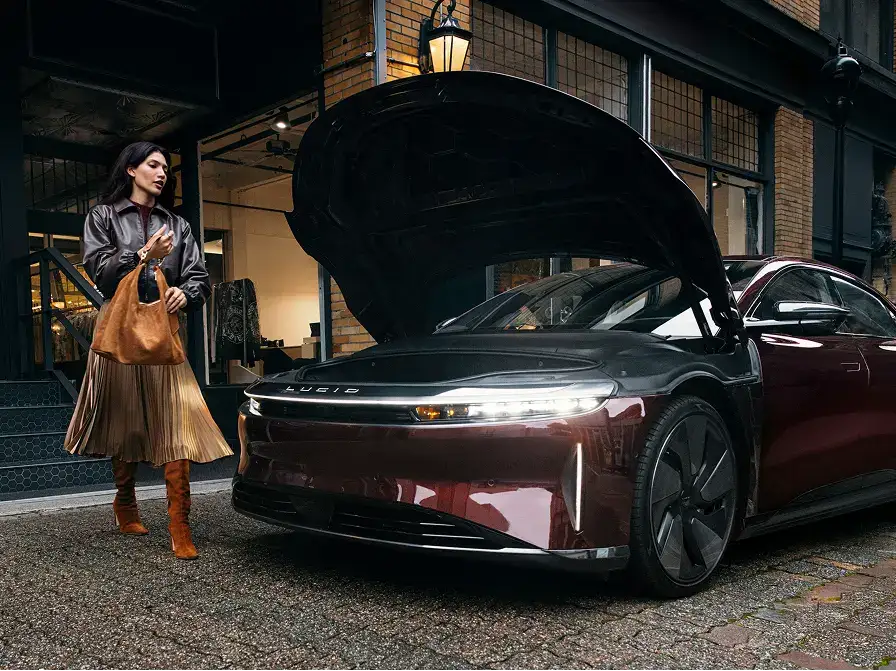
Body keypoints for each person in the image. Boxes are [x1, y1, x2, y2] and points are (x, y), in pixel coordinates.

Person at [64, 141, 233, 560]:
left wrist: (186, 292)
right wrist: (144, 255)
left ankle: (180, 523)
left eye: (166, 168)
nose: (162, 173)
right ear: (131, 170)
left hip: (162, 331)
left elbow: (198, 275)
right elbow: (101, 274)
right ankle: (125, 503)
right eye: (153, 165)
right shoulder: (102, 216)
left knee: (177, 422)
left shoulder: (177, 223)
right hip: (119, 331)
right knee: (124, 420)